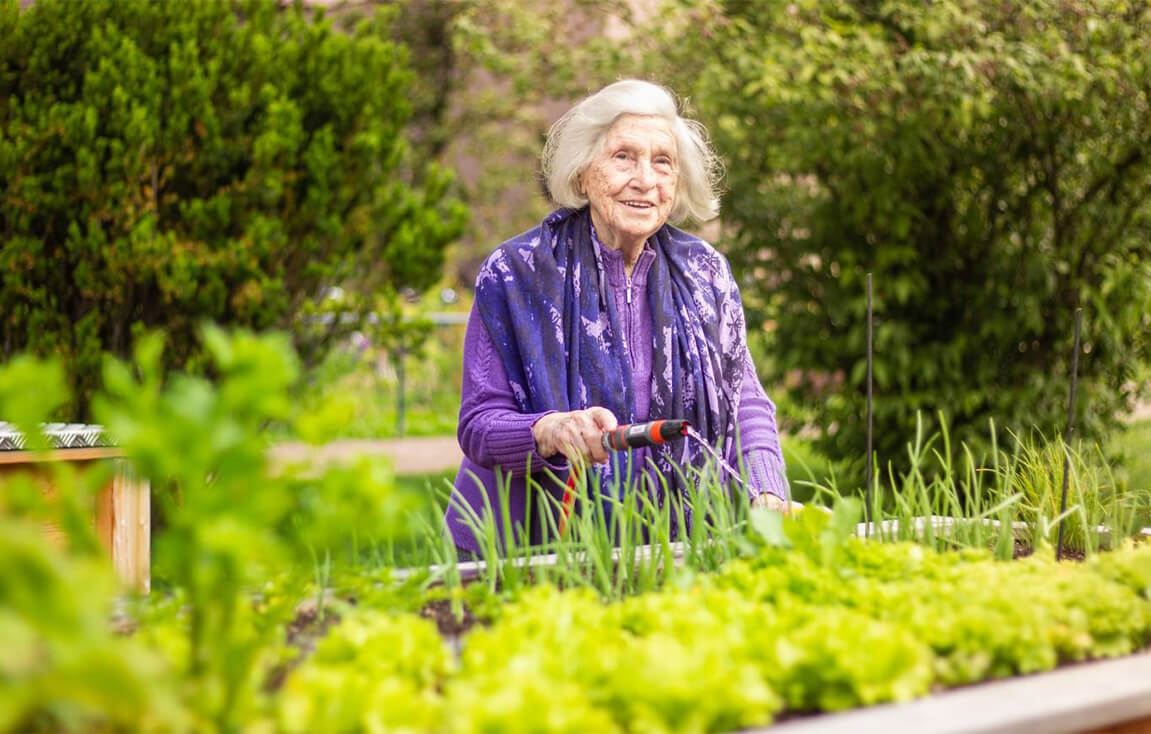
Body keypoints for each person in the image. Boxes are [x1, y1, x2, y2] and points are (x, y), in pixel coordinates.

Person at [445, 79, 788, 558]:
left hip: (666, 545)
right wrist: (548, 430)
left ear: (678, 182)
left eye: (662, 162)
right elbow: (480, 423)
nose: (645, 179)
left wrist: (765, 487)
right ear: (583, 173)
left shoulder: (706, 273)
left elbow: (743, 401)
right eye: (623, 156)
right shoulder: (516, 273)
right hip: (526, 548)